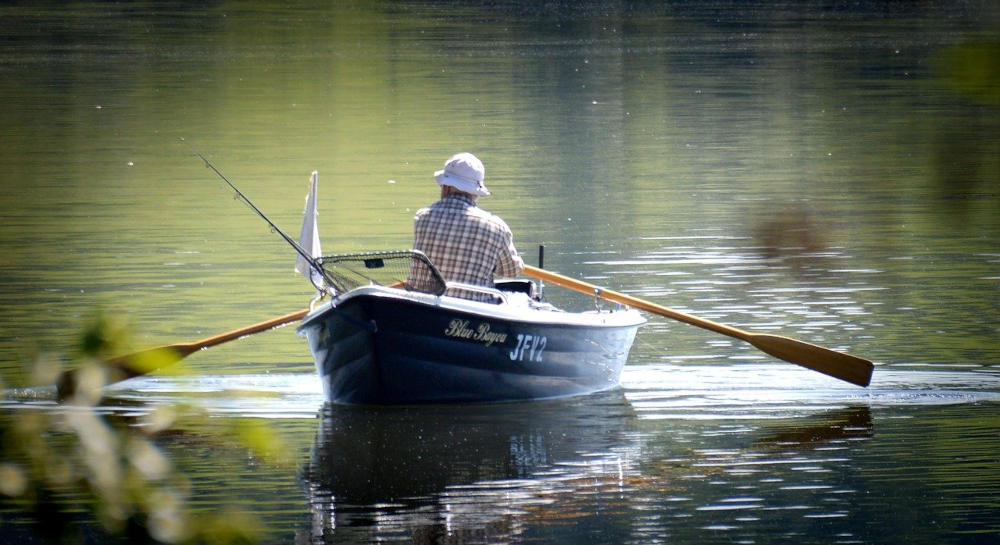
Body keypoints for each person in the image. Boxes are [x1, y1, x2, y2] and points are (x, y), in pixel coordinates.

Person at [407, 152, 524, 302]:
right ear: (475, 192)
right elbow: (511, 271)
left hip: (423, 306)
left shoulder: (422, 217)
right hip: (473, 310)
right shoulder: (496, 227)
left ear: (447, 187)